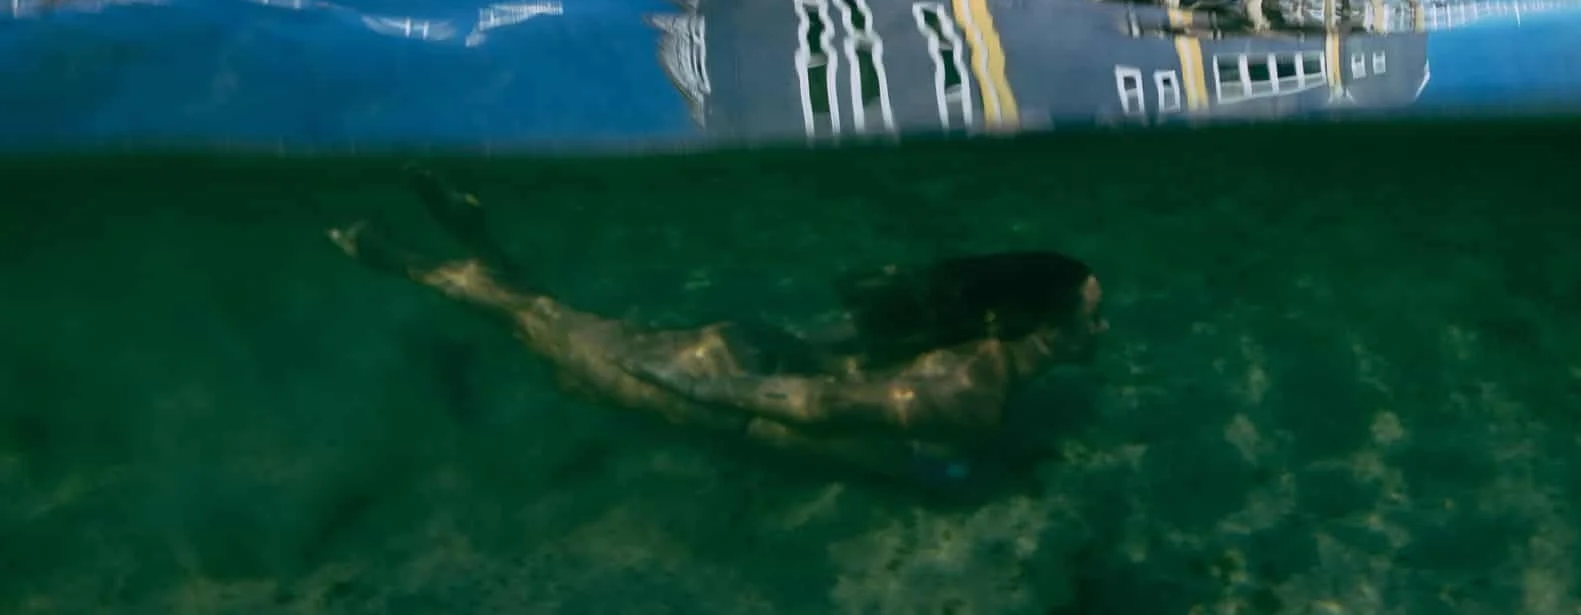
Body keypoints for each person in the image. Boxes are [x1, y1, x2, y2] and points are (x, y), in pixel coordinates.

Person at [328, 171, 1106, 486]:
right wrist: (683, 381)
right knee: (533, 320)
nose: (1100, 327)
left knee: (547, 321)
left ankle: (476, 237)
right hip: (726, 389)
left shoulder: (974, 356)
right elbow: (812, 407)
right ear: (1033, 319)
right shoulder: (977, 395)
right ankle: (389, 255)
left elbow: (847, 373)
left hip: (750, 358)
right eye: (1090, 313)